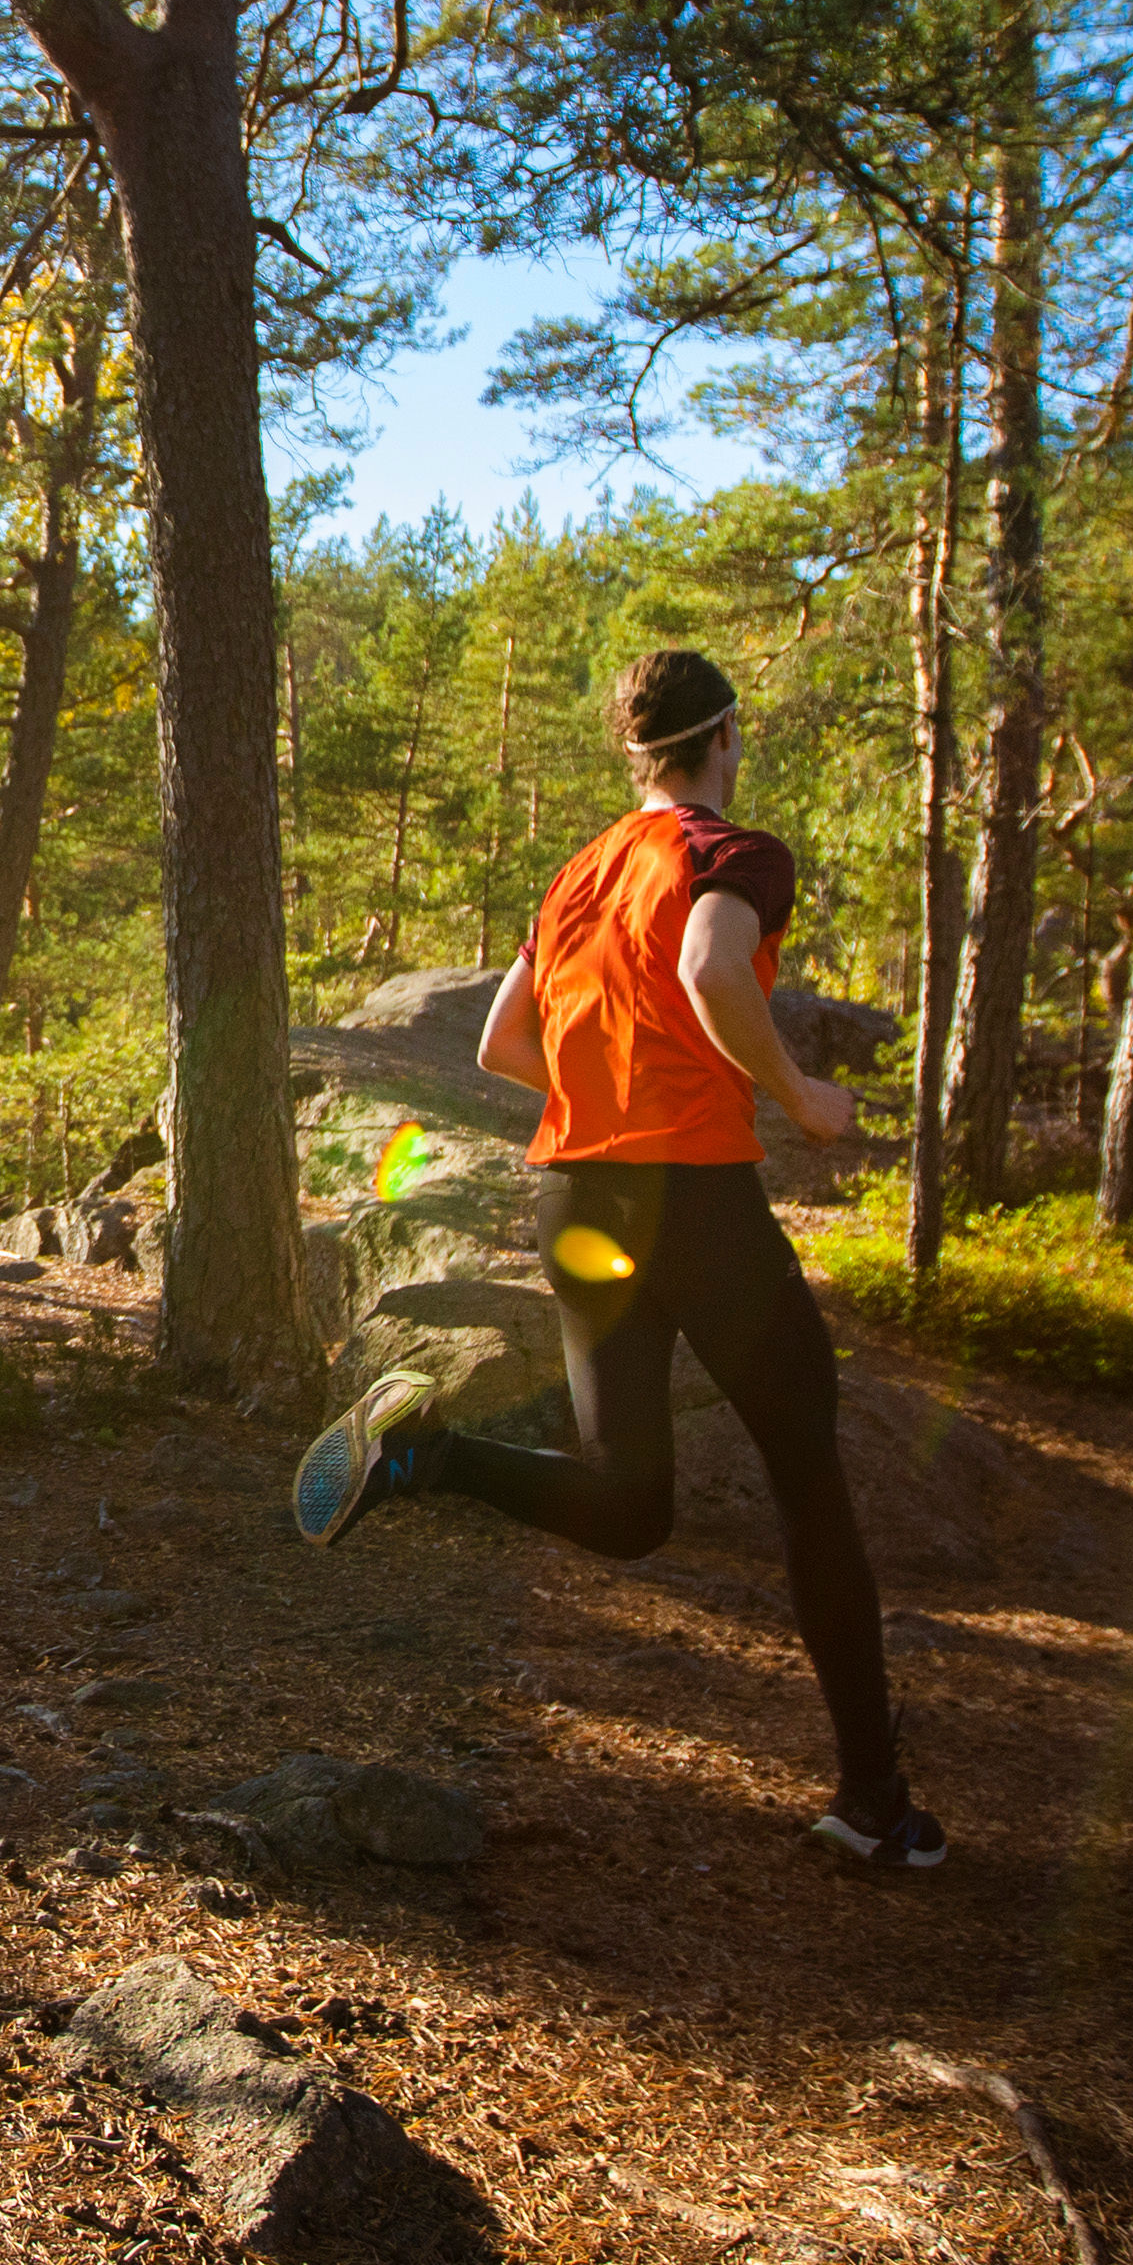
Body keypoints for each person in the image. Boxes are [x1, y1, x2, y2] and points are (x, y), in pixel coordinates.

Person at [286, 647, 945, 1871]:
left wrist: (606, 1090)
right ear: (723, 737)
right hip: (690, 1200)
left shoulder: (574, 874)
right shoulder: (725, 852)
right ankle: (870, 1799)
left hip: (579, 1197)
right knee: (809, 1479)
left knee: (630, 1498)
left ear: (633, 749)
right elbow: (705, 967)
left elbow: (500, 1043)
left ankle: (426, 1454)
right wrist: (797, 1094)